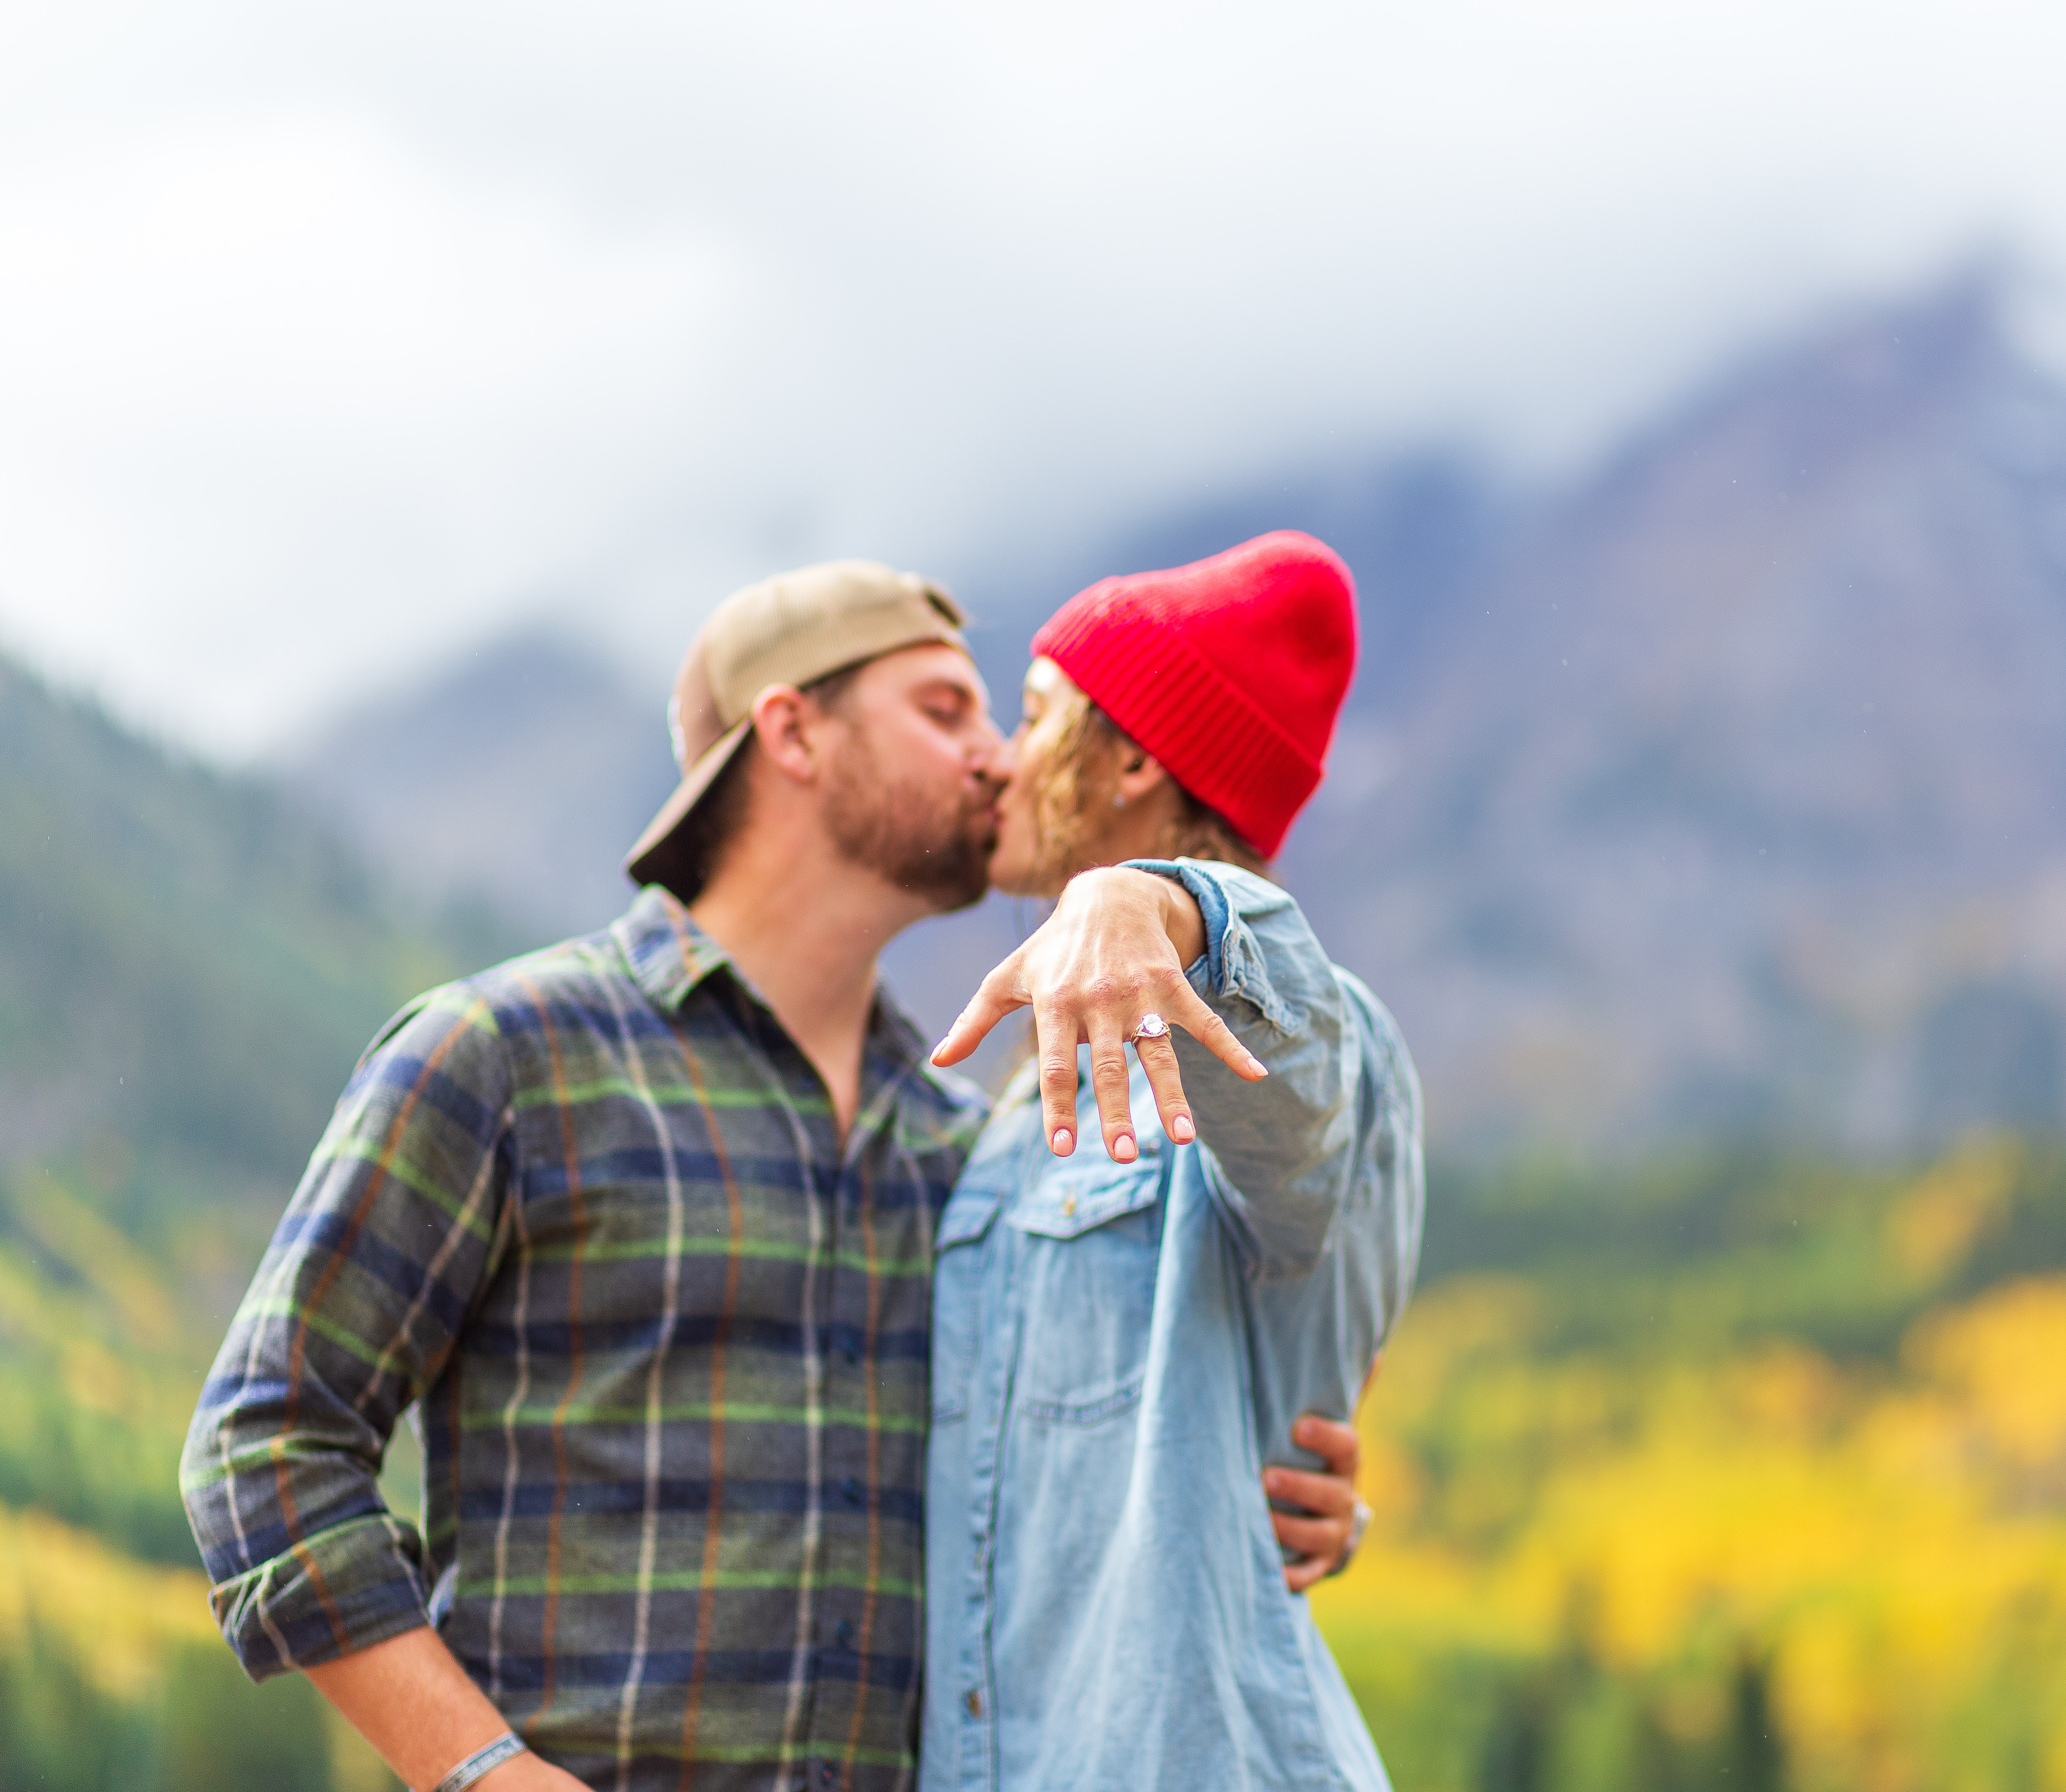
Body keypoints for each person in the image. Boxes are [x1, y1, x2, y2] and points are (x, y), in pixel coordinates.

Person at [179, 560, 1362, 1792]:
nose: (1002, 760)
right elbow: (266, 1439)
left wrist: (1274, 1490)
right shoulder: (506, 1055)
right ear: (793, 731)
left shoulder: (968, 1153)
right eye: (945, 710)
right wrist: (481, 1772)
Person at [919, 532, 1424, 1791]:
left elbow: (1293, 1048)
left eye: (1034, 718)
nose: (1000, 757)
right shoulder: (1013, 1113)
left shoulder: (1316, 1044)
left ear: (1133, 756)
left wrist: (1145, 901)